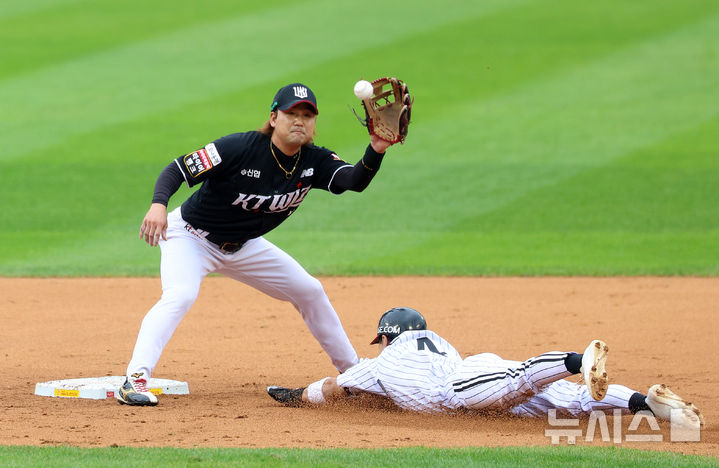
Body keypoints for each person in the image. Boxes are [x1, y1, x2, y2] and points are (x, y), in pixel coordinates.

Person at [117, 83, 398, 406]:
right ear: (273, 118)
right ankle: (134, 380)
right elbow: (178, 168)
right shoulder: (238, 148)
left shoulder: (314, 161)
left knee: (310, 290)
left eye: (307, 115)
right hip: (190, 237)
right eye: (292, 113)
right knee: (180, 295)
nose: (299, 121)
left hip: (245, 246)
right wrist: (158, 205)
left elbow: (353, 180)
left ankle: (353, 376)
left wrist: (376, 149)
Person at [267, 307, 705, 429]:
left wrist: (295, 396)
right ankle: (648, 404)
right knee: (570, 403)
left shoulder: (381, 362)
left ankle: (576, 360)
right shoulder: (435, 342)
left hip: (461, 388)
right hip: (476, 382)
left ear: (386, 336)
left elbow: (332, 388)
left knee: (519, 380)